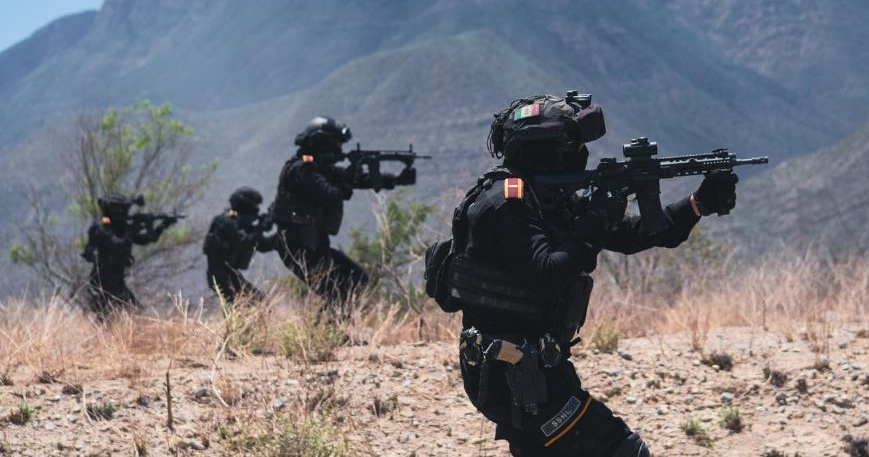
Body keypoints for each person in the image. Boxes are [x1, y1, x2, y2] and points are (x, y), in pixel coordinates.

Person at [447, 94, 738, 456]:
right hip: (510, 372)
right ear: (544, 150)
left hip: (535, 369)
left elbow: (631, 235)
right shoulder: (505, 203)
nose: (581, 154)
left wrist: (696, 205)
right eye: (572, 146)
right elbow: (547, 271)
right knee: (623, 451)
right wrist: (594, 223)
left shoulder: (547, 200)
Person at [271, 117, 413, 306]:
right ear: (321, 143)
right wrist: (351, 172)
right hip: (298, 247)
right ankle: (327, 325)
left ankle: (332, 324)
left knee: (357, 278)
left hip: (313, 243)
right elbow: (332, 194)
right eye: (336, 143)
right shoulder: (301, 170)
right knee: (337, 294)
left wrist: (395, 178)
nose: (339, 149)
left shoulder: (319, 168)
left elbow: (355, 179)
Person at [82, 194, 177, 317]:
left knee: (134, 314)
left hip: (117, 280)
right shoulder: (101, 228)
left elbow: (147, 239)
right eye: (119, 209)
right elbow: (117, 244)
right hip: (103, 281)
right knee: (110, 316)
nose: (123, 213)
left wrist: (163, 225)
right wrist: (133, 229)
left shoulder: (122, 228)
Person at [203, 187, 275, 304]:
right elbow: (245, 243)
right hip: (220, 276)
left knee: (260, 303)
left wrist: (280, 237)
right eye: (254, 206)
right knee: (243, 306)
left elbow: (262, 245)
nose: (256, 210)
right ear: (244, 205)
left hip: (229, 274)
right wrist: (261, 227)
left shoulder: (236, 222)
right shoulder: (228, 221)